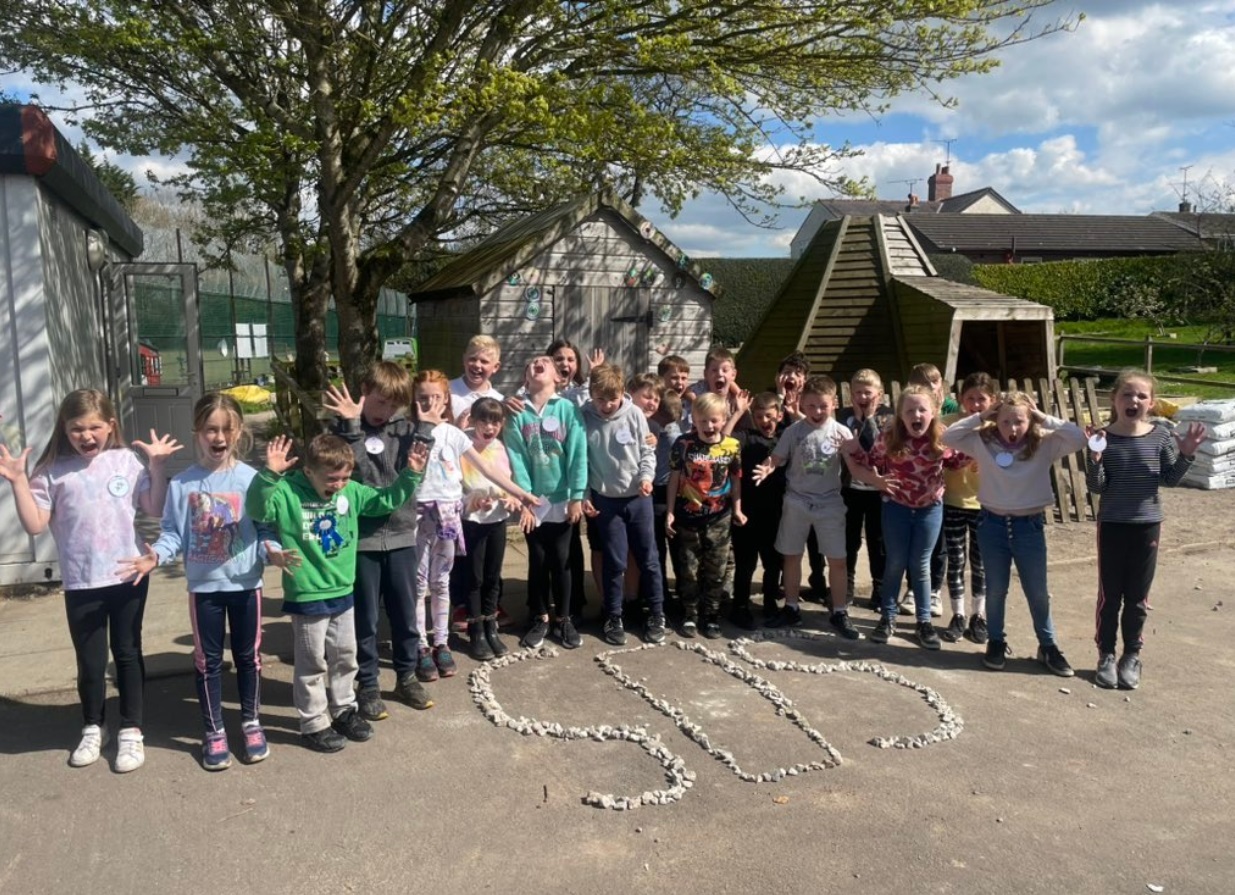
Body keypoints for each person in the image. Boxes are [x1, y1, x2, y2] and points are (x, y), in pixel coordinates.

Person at [0, 389, 181, 772]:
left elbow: (154, 507)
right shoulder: (52, 471)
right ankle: (93, 726)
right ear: (64, 429)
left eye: (94, 427)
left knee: (129, 654)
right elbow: (34, 524)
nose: (86, 435)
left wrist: (157, 468)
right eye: (76, 428)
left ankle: (131, 730)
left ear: (110, 425)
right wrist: (17, 479)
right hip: (82, 582)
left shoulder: (126, 461)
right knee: (90, 661)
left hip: (129, 574)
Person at [119, 393, 288, 770]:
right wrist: (155, 556)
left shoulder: (252, 480)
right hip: (204, 590)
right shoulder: (182, 485)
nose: (219, 436)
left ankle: (251, 722)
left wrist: (272, 551)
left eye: (227, 429)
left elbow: (264, 529)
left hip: (246, 586)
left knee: (249, 658)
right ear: (197, 432)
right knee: (207, 661)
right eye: (210, 429)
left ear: (239, 431)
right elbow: (172, 534)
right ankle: (214, 731)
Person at [246, 433, 427, 752]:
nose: (340, 484)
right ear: (308, 472)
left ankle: (344, 709)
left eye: (345, 476)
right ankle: (314, 722)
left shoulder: (352, 492)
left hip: (344, 591)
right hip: (307, 594)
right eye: (332, 478)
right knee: (313, 662)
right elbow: (258, 509)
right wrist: (269, 474)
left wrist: (411, 473)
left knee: (345, 656)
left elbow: (385, 500)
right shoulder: (287, 491)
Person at [942, 390, 1086, 676]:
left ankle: (1048, 645)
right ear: (997, 421)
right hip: (992, 525)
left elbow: (1079, 438)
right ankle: (996, 641)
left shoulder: (1045, 442)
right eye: (1006, 422)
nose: (1012, 429)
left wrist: (1044, 418)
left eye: (1019, 421)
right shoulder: (984, 441)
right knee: (996, 590)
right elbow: (948, 437)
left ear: (1029, 420)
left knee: (1038, 592)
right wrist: (982, 416)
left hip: (1028, 527)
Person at [322, 362, 434, 721]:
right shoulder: (339, 430)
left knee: (405, 614)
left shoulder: (405, 430)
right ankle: (367, 684)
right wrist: (353, 430)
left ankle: (406, 676)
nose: (385, 411)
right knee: (365, 620)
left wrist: (427, 428)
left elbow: (415, 476)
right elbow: (358, 479)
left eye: (393, 405)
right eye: (380, 402)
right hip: (361, 541)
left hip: (402, 536)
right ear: (365, 390)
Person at [409, 369, 537, 679]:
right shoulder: (408, 432)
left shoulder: (454, 434)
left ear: (446, 400)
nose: (430, 403)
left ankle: (441, 642)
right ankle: (420, 645)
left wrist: (520, 494)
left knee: (442, 582)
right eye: (423, 398)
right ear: (413, 401)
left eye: (437, 397)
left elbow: (488, 469)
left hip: (449, 518)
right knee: (418, 584)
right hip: (418, 518)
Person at [1084, 369, 1205, 690]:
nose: (1133, 400)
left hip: (1147, 526)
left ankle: (1131, 656)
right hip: (1112, 525)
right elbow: (1097, 488)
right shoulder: (1101, 437)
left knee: (1137, 598)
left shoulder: (1160, 436)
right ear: (1114, 399)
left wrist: (1187, 455)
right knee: (1110, 597)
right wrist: (1094, 460)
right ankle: (1106, 655)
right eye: (1127, 394)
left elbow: (1169, 478)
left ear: (1151, 403)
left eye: (1141, 396)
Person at [843, 384, 969, 650]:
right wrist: (855, 452)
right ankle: (887, 617)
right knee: (896, 563)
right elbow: (870, 461)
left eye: (922, 409)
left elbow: (958, 461)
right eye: (910, 409)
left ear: (933, 412)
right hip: (896, 508)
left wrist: (980, 444)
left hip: (929, 509)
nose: (916, 414)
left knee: (920, 565)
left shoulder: (941, 438)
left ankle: (924, 622)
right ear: (900, 414)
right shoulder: (889, 438)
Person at [753, 376, 857, 638]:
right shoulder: (793, 431)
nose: (817, 412)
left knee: (838, 560)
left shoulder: (842, 432)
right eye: (810, 406)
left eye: (822, 406)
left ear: (833, 403)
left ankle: (840, 611)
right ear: (802, 403)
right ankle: (791, 607)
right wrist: (767, 467)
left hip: (829, 502)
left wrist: (877, 479)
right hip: (797, 501)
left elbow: (857, 464)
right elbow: (776, 457)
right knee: (791, 555)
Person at [504, 356, 588, 648]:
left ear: (557, 376)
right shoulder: (517, 413)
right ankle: (539, 617)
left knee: (562, 560)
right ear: (526, 377)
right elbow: (516, 457)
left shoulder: (567, 410)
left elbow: (578, 454)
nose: (538, 363)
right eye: (532, 362)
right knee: (538, 561)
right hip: (534, 501)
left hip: (563, 498)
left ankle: (563, 619)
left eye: (545, 361)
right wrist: (526, 499)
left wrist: (577, 496)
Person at [581, 364, 667, 645]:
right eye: (600, 399)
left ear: (622, 393)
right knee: (615, 561)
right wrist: (585, 495)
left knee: (649, 559)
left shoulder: (634, 415)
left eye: (612, 399)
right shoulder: (584, 416)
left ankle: (656, 613)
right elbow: (580, 461)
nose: (606, 405)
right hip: (606, 501)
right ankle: (613, 615)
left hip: (638, 498)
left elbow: (647, 451)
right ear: (591, 394)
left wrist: (645, 477)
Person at [666, 392, 745, 638]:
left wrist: (738, 509)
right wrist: (669, 512)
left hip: (719, 517)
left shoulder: (732, 446)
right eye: (703, 421)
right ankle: (690, 614)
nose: (709, 426)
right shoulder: (683, 444)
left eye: (714, 420)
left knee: (716, 569)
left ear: (724, 419)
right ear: (694, 420)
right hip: (688, 516)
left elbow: (735, 479)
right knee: (689, 568)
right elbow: (674, 479)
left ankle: (711, 615)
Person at [458, 397, 521, 660]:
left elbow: (507, 482)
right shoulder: (462, 444)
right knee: (474, 578)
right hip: (472, 522)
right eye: (483, 420)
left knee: (493, 576)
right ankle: (475, 630)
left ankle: (490, 624)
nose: (489, 427)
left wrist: (511, 498)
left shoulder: (500, 448)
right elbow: (457, 485)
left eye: (495, 421)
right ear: (473, 420)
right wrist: (472, 501)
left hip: (496, 520)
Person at [940, 372, 996, 644]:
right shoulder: (948, 424)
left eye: (981, 399)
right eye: (970, 399)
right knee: (956, 562)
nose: (975, 404)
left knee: (980, 564)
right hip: (952, 502)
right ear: (960, 399)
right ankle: (958, 615)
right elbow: (937, 449)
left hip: (984, 504)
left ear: (992, 400)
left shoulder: (998, 426)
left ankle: (979, 616)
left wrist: (990, 462)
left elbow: (1012, 456)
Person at [901, 362, 958, 617]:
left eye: (935, 384)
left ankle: (934, 591)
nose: (931, 389)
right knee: (915, 544)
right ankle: (913, 589)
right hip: (914, 489)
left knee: (938, 545)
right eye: (925, 385)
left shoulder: (952, 410)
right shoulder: (911, 407)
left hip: (944, 488)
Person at [839, 368, 893, 611]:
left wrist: (869, 419)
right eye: (858, 392)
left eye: (867, 393)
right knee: (849, 540)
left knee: (877, 541)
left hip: (877, 488)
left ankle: (880, 590)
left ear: (879, 395)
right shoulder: (844, 417)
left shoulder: (888, 419)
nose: (862, 397)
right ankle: (846, 587)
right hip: (850, 487)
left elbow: (876, 451)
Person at [730, 391, 785, 626]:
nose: (765, 422)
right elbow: (724, 439)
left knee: (774, 563)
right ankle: (740, 606)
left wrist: (793, 408)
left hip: (776, 513)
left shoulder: (785, 437)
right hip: (747, 512)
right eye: (760, 417)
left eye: (770, 417)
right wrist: (739, 412)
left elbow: (807, 429)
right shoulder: (746, 437)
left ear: (780, 416)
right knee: (746, 563)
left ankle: (770, 602)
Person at [449, 335, 504, 425]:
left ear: (496, 367)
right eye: (472, 359)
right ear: (464, 360)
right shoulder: (447, 390)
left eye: (484, 361)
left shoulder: (498, 400)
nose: (477, 365)